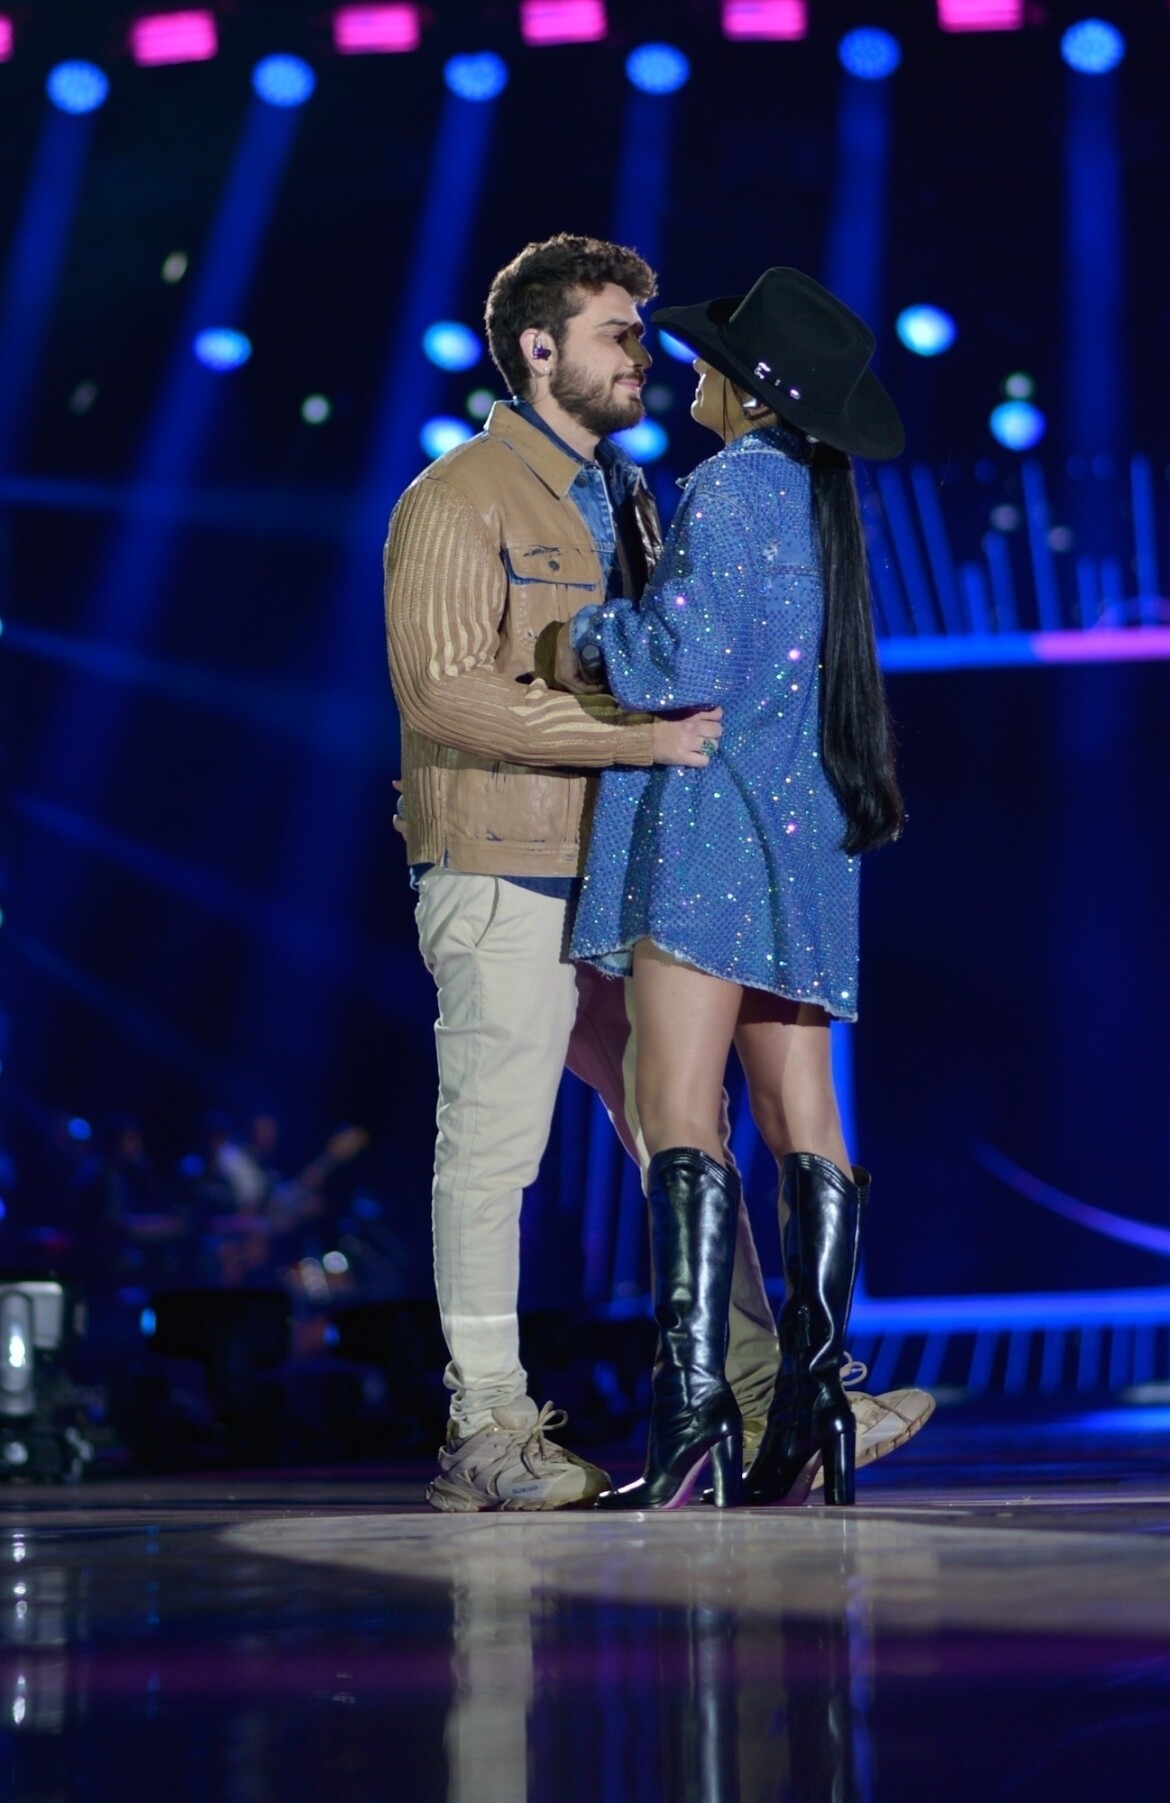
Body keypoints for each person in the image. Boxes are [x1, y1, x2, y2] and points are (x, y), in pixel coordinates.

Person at [385, 237, 929, 1514]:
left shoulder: (636, 493)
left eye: (647, 332)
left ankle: (766, 1390)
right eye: (619, 330)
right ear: (537, 347)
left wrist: (646, 729)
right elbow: (446, 693)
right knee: (501, 1138)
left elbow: (698, 648)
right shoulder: (458, 497)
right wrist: (634, 732)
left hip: (632, 863)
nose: (645, 351)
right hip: (508, 857)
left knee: (677, 1123)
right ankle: (493, 1423)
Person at [557, 267, 912, 1511]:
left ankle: (692, 1412)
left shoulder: (726, 488)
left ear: (750, 391)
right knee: (804, 1119)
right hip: (811, 836)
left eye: (709, 360)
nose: (687, 372)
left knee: (675, 1115)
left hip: (710, 831)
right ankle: (814, 1409)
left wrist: (594, 633)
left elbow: (679, 663)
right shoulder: (824, 501)